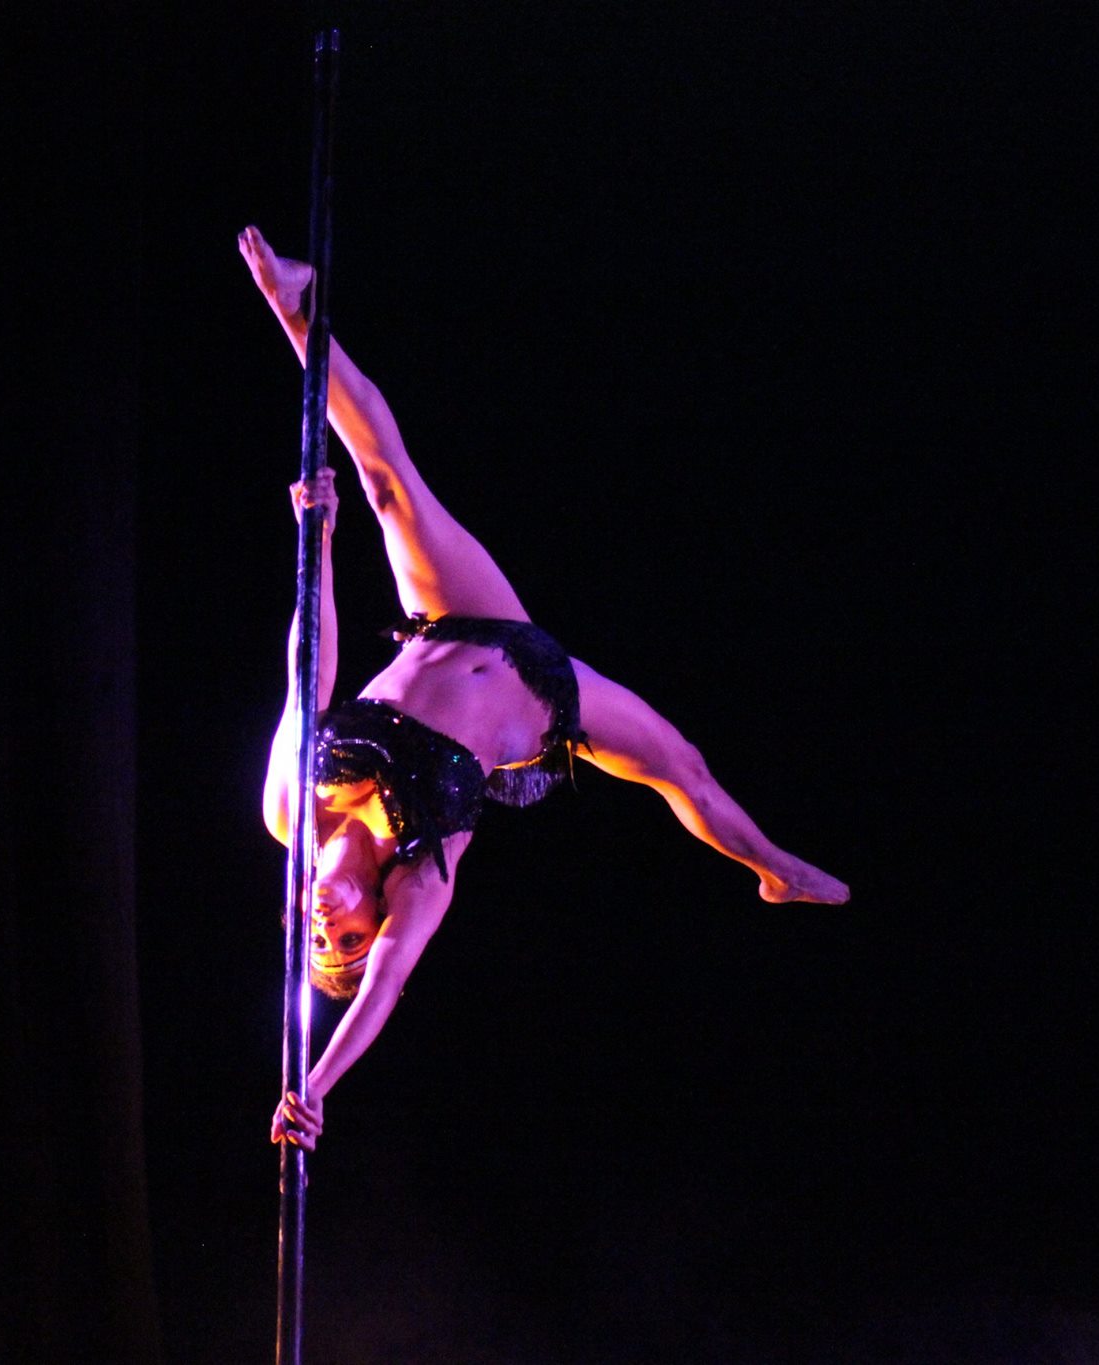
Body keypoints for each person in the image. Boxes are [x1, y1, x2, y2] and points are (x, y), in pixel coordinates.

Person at [243, 226, 848, 1153]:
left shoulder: (292, 808)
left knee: (385, 481)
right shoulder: (418, 879)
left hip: (457, 621)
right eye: (347, 941)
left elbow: (307, 666)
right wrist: (314, 1087)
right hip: (548, 693)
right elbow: (387, 986)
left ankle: (296, 308)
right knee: (679, 765)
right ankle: (774, 867)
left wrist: (316, 543)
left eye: (317, 940)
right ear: (375, 921)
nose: (329, 927)